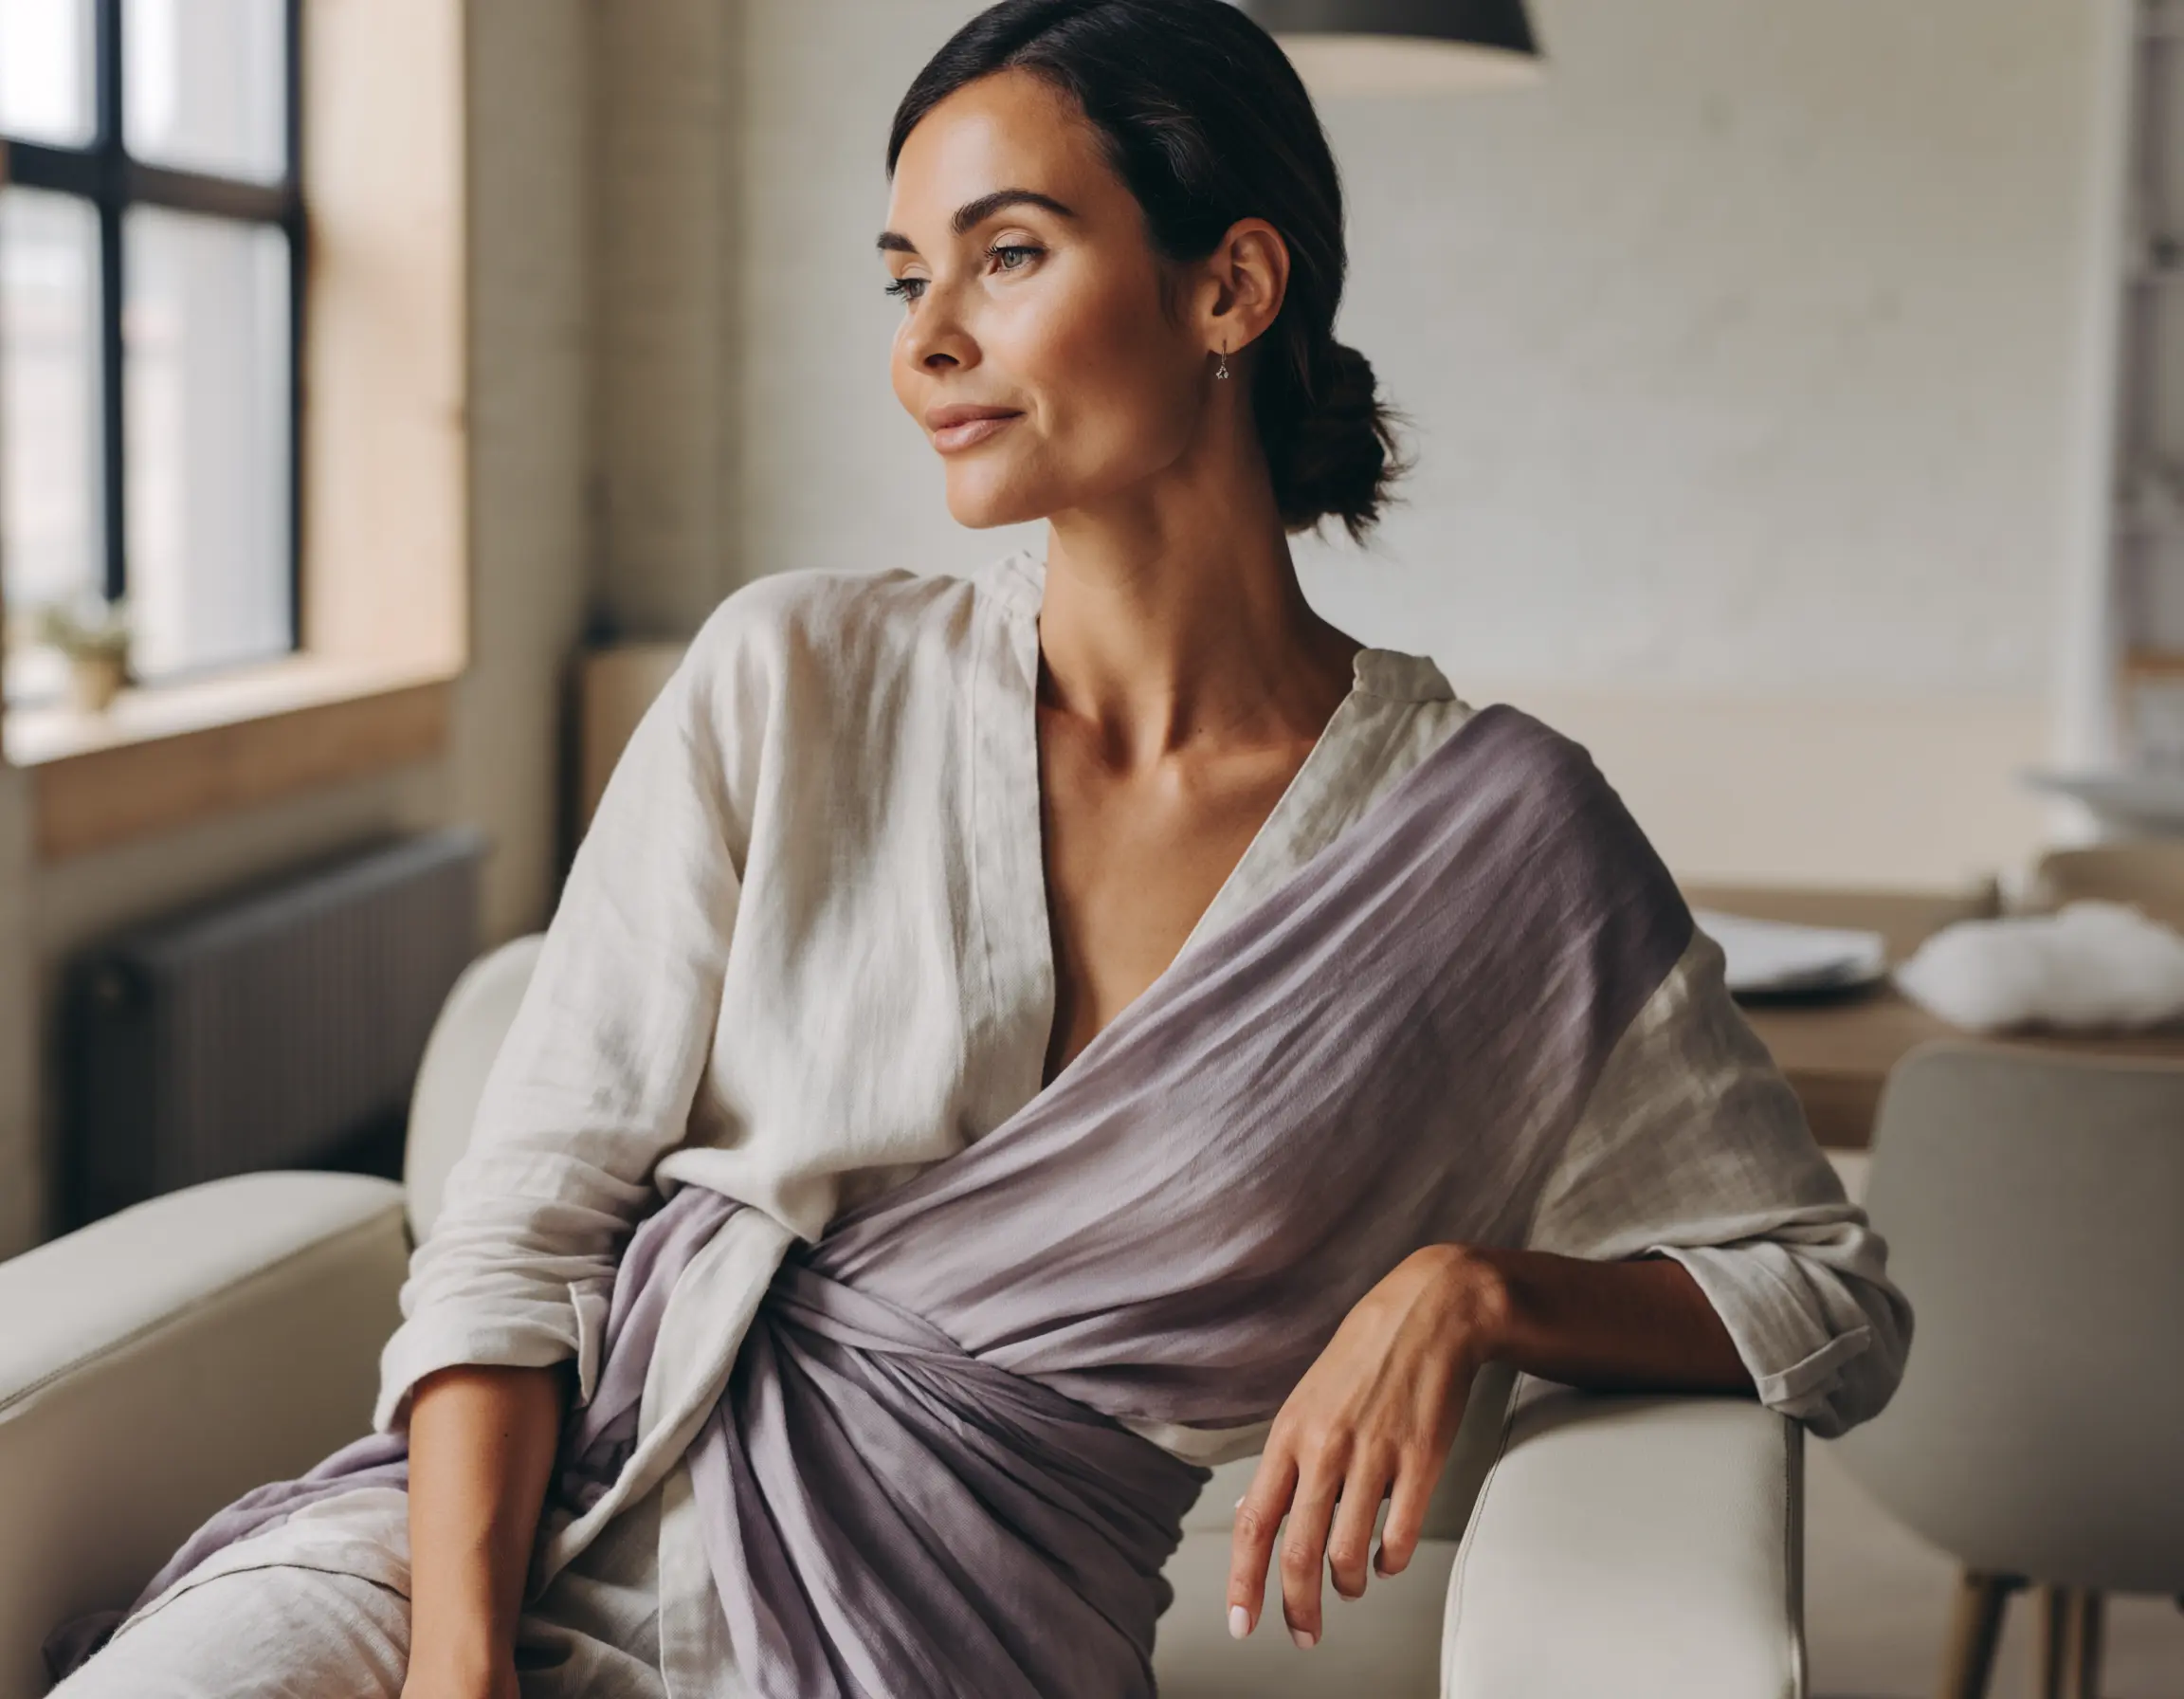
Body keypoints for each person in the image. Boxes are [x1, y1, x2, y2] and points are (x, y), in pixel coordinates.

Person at [49, 3, 1910, 1694]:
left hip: (941, 1634)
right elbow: (516, 1231)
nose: (926, 340)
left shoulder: (1497, 846)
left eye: (1008, 255)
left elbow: (1828, 1295)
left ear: (1230, 289)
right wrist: (459, 1674)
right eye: (904, 276)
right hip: (476, 1552)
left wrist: (1480, 1287)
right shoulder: (794, 676)